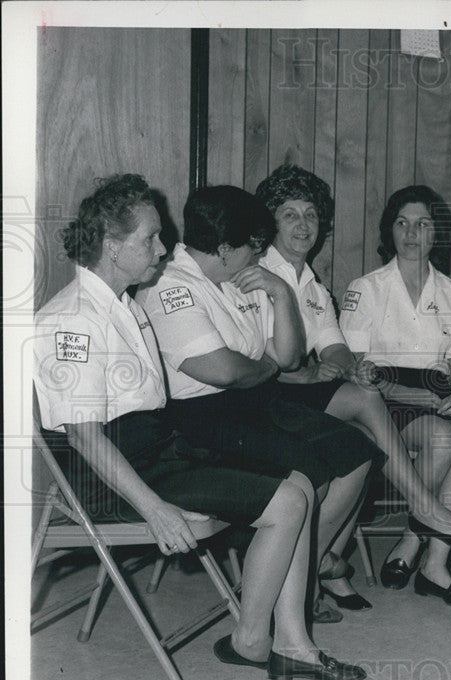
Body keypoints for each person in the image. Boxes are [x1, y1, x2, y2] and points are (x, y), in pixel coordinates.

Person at [35, 175, 365, 680]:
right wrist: (155, 509)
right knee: (289, 502)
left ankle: (282, 641)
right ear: (112, 246)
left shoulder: (122, 305)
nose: (163, 248)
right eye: (149, 238)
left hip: (157, 447)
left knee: (301, 480)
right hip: (113, 474)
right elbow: (83, 436)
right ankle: (259, 641)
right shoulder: (71, 321)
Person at [136, 185, 384, 628]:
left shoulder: (242, 277)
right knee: (313, 473)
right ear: (226, 249)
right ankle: (280, 592)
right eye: (254, 247)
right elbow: (224, 371)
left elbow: (287, 358)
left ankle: (301, 569)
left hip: (255, 403)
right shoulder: (171, 285)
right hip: (204, 419)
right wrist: (266, 364)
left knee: (358, 452)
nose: (261, 254)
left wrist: (282, 295)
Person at [254, 164, 451, 613]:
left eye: (311, 215)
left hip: (330, 391)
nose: (303, 226)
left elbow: (334, 348)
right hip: (267, 399)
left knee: (441, 434)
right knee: (365, 429)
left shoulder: (311, 285)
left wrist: (348, 369)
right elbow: (265, 362)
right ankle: (415, 516)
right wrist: (348, 373)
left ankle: (405, 552)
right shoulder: (261, 276)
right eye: (290, 215)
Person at [339, 185, 451, 607]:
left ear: (436, 232)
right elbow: (356, 371)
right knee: (442, 436)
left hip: (436, 394)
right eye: (402, 223)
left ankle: (432, 563)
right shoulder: (366, 288)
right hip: (382, 401)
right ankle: (414, 542)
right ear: (390, 229)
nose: (411, 232)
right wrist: (411, 395)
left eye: (422, 224)